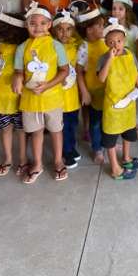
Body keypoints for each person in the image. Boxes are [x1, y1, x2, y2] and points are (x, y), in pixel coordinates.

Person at [12, 2, 70, 184]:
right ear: (26, 25)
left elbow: (64, 70)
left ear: (50, 24)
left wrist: (48, 85)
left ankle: (58, 160)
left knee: (55, 130)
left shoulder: (56, 46)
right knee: (36, 132)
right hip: (30, 99)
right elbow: (19, 71)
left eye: (43, 23)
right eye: (33, 23)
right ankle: (37, 163)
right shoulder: (22, 48)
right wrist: (17, 78)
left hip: (52, 98)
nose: (38, 27)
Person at [99, 18, 138, 180]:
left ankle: (126, 158)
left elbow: (136, 75)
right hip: (113, 104)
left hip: (129, 102)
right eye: (111, 42)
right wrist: (110, 59)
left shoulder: (130, 54)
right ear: (106, 43)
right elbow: (101, 78)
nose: (116, 45)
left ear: (124, 40)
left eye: (119, 41)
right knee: (111, 136)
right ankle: (115, 167)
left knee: (128, 131)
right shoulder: (104, 58)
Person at [0, 11, 27, 176]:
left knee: (17, 130)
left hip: (17, 98)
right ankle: (10, 159)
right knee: (11, 130)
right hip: (2, 99)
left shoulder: (21, 49)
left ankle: (20, 159)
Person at [51, 10, 83, 169]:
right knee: (62, 125)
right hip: (58, 94)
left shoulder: (75, 47)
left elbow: (77, 69)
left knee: (72, 123)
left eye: (68, 29)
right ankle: (66, 151)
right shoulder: (52, 47)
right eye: (60, 29)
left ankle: (71, 146)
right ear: (54, 30)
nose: (64, 33)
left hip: (72, 94)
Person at [77, 6, 108, 166]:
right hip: (94, 91)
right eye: (100, 26)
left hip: (108, 90)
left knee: (108, 119)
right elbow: (79, 72)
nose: (103, 28)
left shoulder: (105, 42)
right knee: (95, 122)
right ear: (89, 30)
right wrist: (84, 92)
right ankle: (97, 148)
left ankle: (107, 143)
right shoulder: (84, 47)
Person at [106, 0, 138, 76]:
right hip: (116, 69)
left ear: (127, 11)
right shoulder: (109, 30)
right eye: (114, 9)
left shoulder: (134, 30)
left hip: (132, 67)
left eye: (120, 9)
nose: (116, 12)